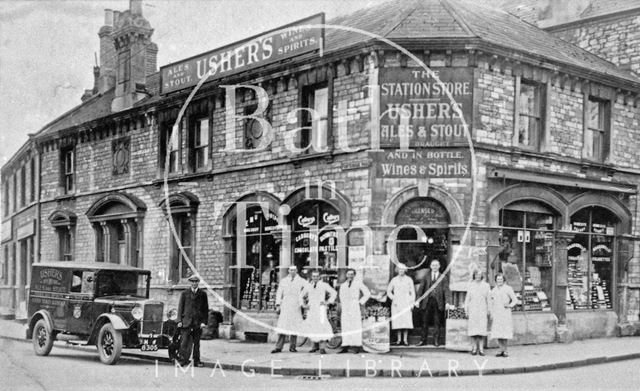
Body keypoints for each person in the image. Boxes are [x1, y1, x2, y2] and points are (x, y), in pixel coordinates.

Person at [271, 265, 309, 353]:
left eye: (294, 270)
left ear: (297, 271)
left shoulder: (300, 280)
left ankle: (292, 346)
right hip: (285, 304)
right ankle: (278, 347)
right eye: (291, 270)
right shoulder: (284, 281)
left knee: (294, 326)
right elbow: (279, 292)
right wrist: (277, 304)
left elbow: (308, 287)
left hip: (295, 304)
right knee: (282, 326)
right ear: (288, 271)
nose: (292, 272)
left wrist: (302, 296)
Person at [416, 259, 452, 347]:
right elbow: (421, 290)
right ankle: (423, 340)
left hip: (438, 302)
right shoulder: (426, 276)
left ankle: (436, 341)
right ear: (430, 266)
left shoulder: (443, 277)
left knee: (437, 322)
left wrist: (447, 302)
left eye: (436, 265)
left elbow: (446, 291)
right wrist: (417, 300)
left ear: (439, 266)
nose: (435, 267)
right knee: (424, 321)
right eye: (433, 265)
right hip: (427, 301)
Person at [301, 270, 337, 354]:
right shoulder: (309, 285)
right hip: (312, 308)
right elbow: (301, 295)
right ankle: (314, 346)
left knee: (322, 326)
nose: (315, 278)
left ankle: (322, 347)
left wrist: (327, 302)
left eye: (317, 276)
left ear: (319, 277)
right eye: (313, 276)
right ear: (311, 277)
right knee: (313, 326)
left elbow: (334, 292)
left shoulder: (324, 285)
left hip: (321, 308)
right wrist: (304, 305)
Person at [177, 275, 209, 367]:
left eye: (196, 281)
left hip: (197, 323)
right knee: (184, 342)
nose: (194, 283)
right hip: (186, 321)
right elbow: (180, 307)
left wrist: (204, 322)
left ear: (198, 282)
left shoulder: (203, 294)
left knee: (197, 343)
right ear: (190, 282)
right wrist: (179, 320)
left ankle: (196, 361)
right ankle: (182, 360)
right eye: (192, 281)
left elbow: (205, 309)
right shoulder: (184, 293)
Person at [338, 268, 371, 353]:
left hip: (354, 306)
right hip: (345, 307)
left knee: (355, 325)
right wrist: (342, 306)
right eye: (348, 274)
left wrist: (360, 302)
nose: (350, 276)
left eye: (352, 274)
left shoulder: (358, 284)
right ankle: (345, 345)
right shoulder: (343, 285)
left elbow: (367, 293)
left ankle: (356, 346)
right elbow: (341, 297)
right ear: (346, 275)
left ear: (354, 275)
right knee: (345, 326)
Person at [387, 263, 415, 346]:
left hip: (406, 301)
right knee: (398, 321)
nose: (401, 271)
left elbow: (412, 292)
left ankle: (405, 340)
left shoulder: (409, 279)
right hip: (396, 302)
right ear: (397, 270)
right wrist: (393, 298)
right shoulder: (394, 280)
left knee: (406, 321)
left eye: (403, 269)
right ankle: (399, 340)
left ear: (405, 270)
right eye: (399, 269)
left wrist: (411, 302)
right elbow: (389, 291)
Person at [489, 273, 517, 357]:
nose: (499, 281)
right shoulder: (493, 290)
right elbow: (491, 302)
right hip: (497, 313)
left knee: (505, 332)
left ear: (504, 280)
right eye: (498, 279)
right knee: (498, 332)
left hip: (505, 313)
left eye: (501, 279)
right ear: (496, 280)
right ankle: (500, 349)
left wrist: (509, 305)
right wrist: (491, 313)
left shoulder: (508, 288)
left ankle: (505, 350)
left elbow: (515, 300)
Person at [464, 268, 490, 355]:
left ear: (482, 276)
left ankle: (481, 349)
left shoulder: (486, 285)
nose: (478, 277)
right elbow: (467, 298)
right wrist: (466, 309)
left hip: (482, 309)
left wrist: (489, 310)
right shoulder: (471, 285)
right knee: (473, 330)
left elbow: (489, 299)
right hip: (473, 310)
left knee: (482, 330)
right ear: (474, 276)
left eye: (479, 275)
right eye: (476, 275)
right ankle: (474, 348)